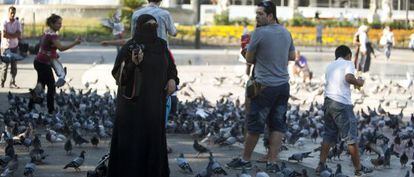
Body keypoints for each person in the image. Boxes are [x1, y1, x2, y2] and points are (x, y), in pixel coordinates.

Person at [226, 1, 295, 173]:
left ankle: (245, 159)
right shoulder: (286, 32)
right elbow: (292, 56)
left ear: (271, 15)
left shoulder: (259, 32)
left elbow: (249, 58)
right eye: (256, 14)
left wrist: (250, 51)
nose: (257, 17)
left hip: (264, 86)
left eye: (261, 14)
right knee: (278, 124)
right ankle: (272, 161)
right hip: (283, 86)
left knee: (255, 125)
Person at [107, 14, 179, 177]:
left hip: (154, 104)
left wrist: (172, 79)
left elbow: (171, 67)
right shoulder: (130, 47)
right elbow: (119, 76)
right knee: (133, 144)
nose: (152, 28)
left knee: (152, 141)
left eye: (155, 25)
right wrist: (133, 63)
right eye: (148, 25)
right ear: (139, 27)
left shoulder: (161, 46)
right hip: (133, 108)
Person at [316, 45, 373, 176]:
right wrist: (359, 82)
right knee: (350, 138)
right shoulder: (348, 63)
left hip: (328, 102)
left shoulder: (330, 65)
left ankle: (321, 165)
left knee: (328, 135)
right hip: (341, 104)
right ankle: (358, 169)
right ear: (348, 55)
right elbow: (348, 78)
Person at [28, 14, 81, 114]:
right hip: (43, 63)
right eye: (58, 23)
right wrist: (75, 43)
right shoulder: (52, 35)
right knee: (51, 86)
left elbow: (45, 47)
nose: (60, 25)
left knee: (41, 86)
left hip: (39, 61)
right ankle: (51, 110)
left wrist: (53, 54)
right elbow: (60, 47)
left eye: (61, 23)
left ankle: (31, 106)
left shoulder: (47, 32)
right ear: (52, 24)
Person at [0, 6, 21, 88]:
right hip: (6, 47)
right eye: (11, 13)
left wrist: (10, 35)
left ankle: (12, 82)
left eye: (14, 13)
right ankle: (2, 82)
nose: (12, 14)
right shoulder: (4, 22)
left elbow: (19, 34)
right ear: (8, 13)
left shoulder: (17, 23)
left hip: (15, 47)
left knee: (14, 67)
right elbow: (4, 35)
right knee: (5, 66)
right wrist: (13, 35)